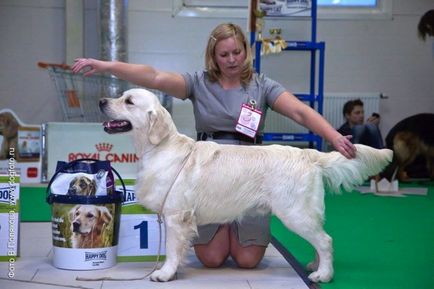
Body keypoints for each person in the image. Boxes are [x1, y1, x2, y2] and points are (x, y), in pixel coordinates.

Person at [72, 23, 356, 269]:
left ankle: (260, 237)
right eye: (224, 54)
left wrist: (334, 136)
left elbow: (300, 112)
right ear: (213, 56)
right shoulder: (198, 82)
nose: (232, 59)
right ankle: (225, 233)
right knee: (211, 257)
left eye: (237, 52)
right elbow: (153, 76)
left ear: (246, 50)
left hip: (251, 173)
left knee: (246, 260)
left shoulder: (263, 86)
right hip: (205, 176)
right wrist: (106, 66)